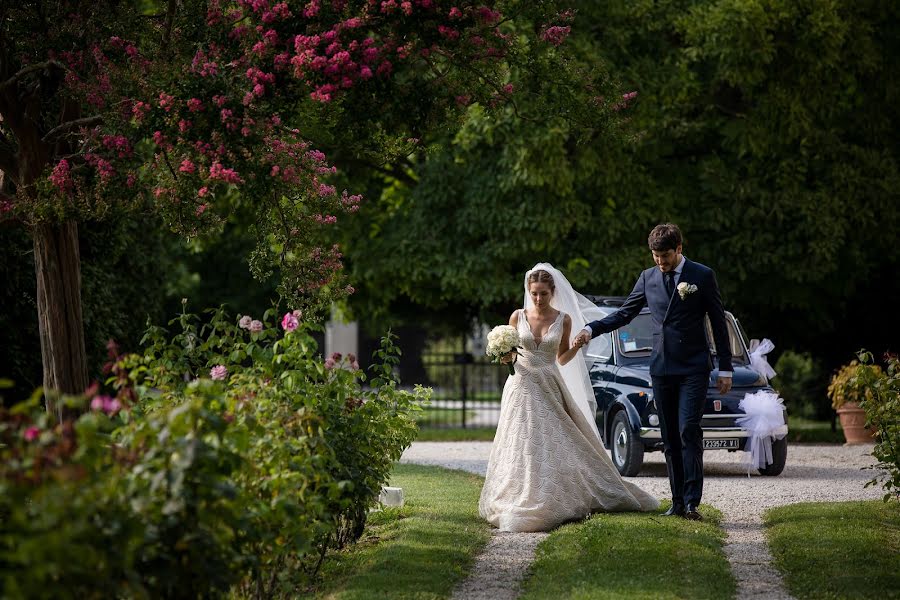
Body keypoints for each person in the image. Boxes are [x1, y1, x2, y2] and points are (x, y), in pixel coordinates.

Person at [478, 264, 659, 533]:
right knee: (519, 440)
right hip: (521, 385)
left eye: (543, 294)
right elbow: (511, 354)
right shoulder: (517, 317)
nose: (538, 299)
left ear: (552, 292)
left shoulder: (563, 319)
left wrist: (575, 347)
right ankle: (516, 493)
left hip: (550, 383)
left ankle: (555, 492)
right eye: (534, 293)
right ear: (529, 292)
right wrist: (503, 356)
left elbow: (561, 358)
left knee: (554, 439)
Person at [574, 223, 732, 521]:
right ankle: (676, 501)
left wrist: (726, 367)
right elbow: (625, 313)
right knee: (670, 436)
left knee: (688, 429)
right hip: (661, 368)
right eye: (655, 256)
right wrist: (591, 328)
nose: (660, 262)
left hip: (695, 366)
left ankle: (691, 502)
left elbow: (718, 322)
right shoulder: (647, 278)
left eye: (666, 256)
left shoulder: (702, 275)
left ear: (679, 249)